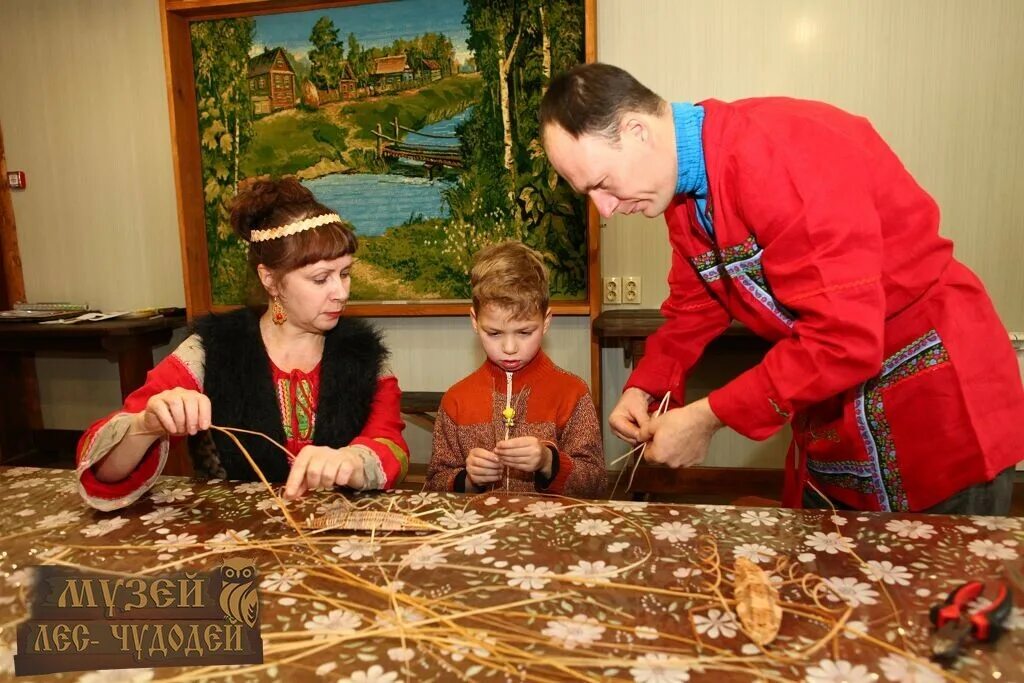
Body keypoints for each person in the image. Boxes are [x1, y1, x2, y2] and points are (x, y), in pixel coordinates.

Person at [540, 63, 1023, 514]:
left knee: (941, 597)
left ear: (636, 130)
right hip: (838, 418)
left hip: (936, 410)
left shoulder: (779, 155)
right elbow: (695, 307)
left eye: (602, 184)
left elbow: (843, 338)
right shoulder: (683, 194)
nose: (604, 209)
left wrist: (708, 416)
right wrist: (648, 383)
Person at [76, 178, 409, 511]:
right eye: (321, 278)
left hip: (338, 535)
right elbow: (102, 472)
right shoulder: (211, 351)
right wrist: (144, 425)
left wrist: (353, 460)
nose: (341, 292)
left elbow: (390, 444)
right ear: (270, 280)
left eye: (346, 273)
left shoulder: (363, 353)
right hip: (234, 540)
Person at [425, 241, 606, 497]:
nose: (509, 347)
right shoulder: (457, 400)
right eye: (494, 333)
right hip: (480, 534)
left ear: (546, 322)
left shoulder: (572, 393)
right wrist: (468, 479)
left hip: (548, 533)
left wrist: (548, 462)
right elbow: (434, 484)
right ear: (475, 322)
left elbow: (596, 485)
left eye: (524, 332)